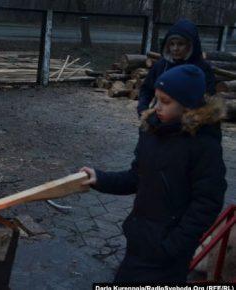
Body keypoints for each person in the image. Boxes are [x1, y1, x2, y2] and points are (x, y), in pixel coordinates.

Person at [81, 64, 227, 282]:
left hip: (169, 252)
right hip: (140, 239)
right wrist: (100, 178)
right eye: (156, 99)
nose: (157, 106)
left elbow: (208, 202)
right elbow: (136, 177)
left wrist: (173, 245)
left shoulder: (204, 145)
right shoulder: (152, 131)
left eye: (166, 102)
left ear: (188, 106)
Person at [137, 19, 216, 117]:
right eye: (172, 44)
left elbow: (208, 97)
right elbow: (146, 89)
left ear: (190, 45)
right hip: (160, 116)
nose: (175, 48)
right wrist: (143, 109)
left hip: (189, 120)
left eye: (180, 44)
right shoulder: (161, 65)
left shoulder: (202, 68)